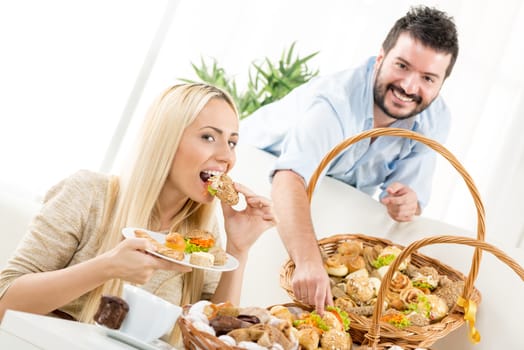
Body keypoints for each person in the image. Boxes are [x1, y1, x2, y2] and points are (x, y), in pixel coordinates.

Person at [239, 5, 459, 313]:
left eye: (427, 78)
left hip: (324, 200)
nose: (409, 86)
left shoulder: (434, 119)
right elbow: (289, 177)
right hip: (251, 168)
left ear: (440, 85)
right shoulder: (335, 101)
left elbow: (411, 196)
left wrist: (407, 202)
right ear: (380, 57)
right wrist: (307, 261)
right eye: (402, 66)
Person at [0, 83, 276, 325]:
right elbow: (5, 303)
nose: (227, 156)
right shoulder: (88, 193)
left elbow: (213, 334)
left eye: (232, 142)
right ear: (166, 140)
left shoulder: (201, 235)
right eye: (208, 137)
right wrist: (107, 267)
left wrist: (239, 249)